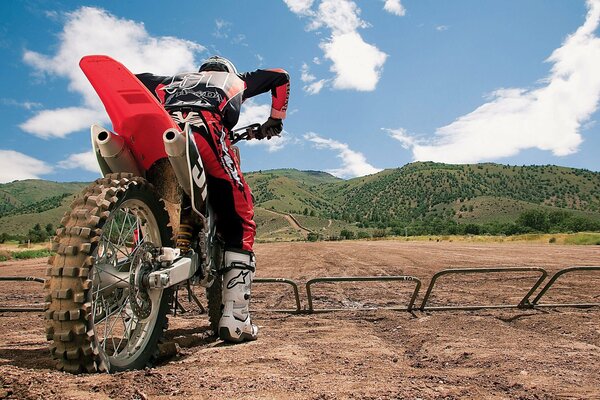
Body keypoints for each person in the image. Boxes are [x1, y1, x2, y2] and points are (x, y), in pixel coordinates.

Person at [136, 56, 290, 342]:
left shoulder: (170, 81)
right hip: (205, 132)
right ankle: (236, 319)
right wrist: (274, 120)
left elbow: (131, 79)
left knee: (147, 207)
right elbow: (280, 75)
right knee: (241, 212)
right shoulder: (235, 80)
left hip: (160, 136)